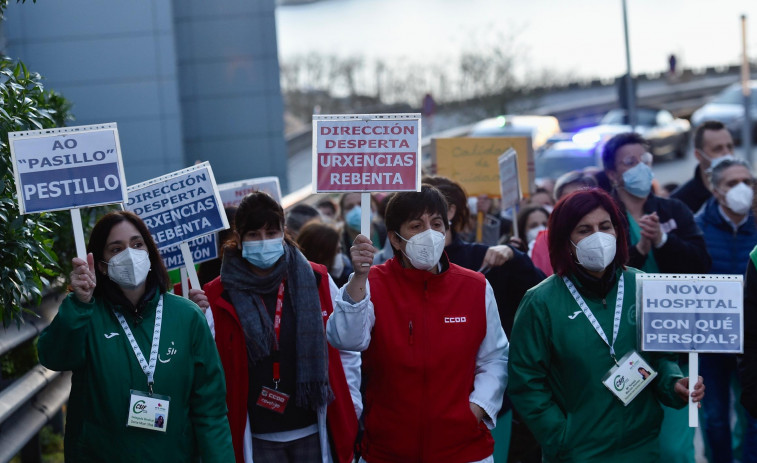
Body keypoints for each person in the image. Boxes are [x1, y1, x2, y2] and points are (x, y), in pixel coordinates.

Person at [508, 188, 704, 462]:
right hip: (577, 452)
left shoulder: (643, 284)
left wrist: (674, 384)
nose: (597, 237)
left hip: (642, 446)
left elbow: (661, 356)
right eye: (584, 230)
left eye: (605, 226)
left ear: (618, 231)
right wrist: (561, 435)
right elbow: (526, 381)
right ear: (566, 241)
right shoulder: (541, 302)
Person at [327, 185, 509, 463]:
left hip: (464, 450)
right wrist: (359, 279)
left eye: (436, 224)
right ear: (395, 239)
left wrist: (476, 409)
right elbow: (346, 340)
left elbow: (495, 357)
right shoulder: (372, 284)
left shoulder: (474, 286)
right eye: (416, 225)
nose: (429, 234)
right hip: (388, 451)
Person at [37, 210, 234, 462]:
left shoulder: (187, 316)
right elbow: (53, 357)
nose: (129, 254)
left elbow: (211, 410)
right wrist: (78, 304)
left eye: (137, 244)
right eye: (116, 249)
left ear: (150, 252)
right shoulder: (86, 315)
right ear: (101, 265)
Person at [189, 191, 361, 463]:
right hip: (256, 438)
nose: (263, 241)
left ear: (284, 231)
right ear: (239, 237)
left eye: (271, 232)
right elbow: (207, 368)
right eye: (253, 234)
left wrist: (351, 401)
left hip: (315, 431)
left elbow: (346, 348)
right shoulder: (217, 294)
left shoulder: (317, 279)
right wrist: (194, 321)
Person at [603, 132, 710, 462]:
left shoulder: (672, 209)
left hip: (674, 344)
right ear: (612, 174)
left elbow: (702, 264)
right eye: (629, 162)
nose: (640, 168)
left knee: (675, 447)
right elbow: (601, 276)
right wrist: (638, 250)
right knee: (632, 437)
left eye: (644, 161)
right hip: (625, 348)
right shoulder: (605, 217)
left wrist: (664, 241)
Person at [424, 175, 545, 463]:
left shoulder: (486, 259)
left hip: (489, 405)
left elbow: (541, 295)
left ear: (449, 211)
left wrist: (514, 256)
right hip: (427, 409)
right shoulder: (398, 271)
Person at [695, 157, 757, 463]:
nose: (742, 189)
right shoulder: (696, 227)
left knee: (753, 416)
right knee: (716, 418)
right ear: (715, 189)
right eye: (733, 183)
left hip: (752, 341)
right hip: (712, 344)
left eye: (747, 181)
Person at [671, 120, 736, 213]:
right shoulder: (680, 203)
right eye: (717, 149)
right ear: (698, 155)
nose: (727, 154)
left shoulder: (750, 188)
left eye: (730, 147)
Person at [297, 221, 353, 287]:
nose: (340, 257)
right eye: (335, 251)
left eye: (340, 250)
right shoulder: (299, 282)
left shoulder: (347, 275)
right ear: (319, 255)